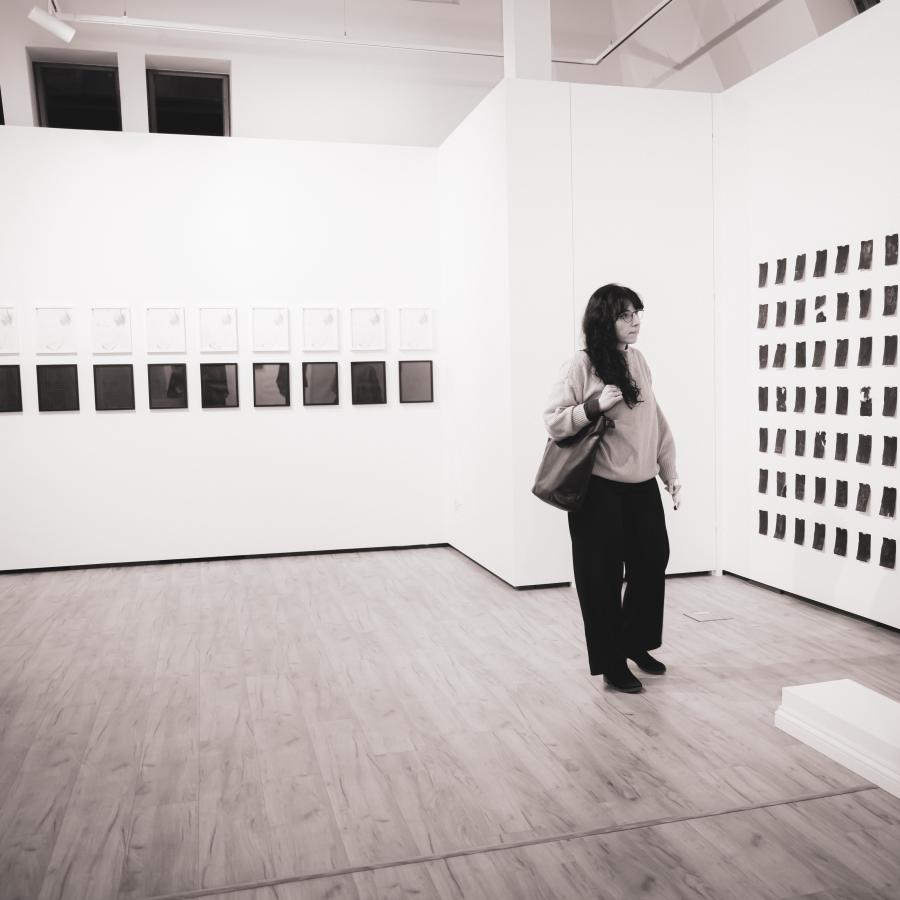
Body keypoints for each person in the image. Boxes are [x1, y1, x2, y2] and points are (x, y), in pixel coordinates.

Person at [543, 284, 681, 693]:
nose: (635, 321)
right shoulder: (581, 364)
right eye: (625, 315)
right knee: (600, 579)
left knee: (651, 563)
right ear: (605, 320)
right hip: (598, 491)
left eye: (637, 313)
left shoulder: (638, 360)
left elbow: (655, 420)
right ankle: (611, 663)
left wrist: (669, 471)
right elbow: (553, 420)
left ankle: (634, 643)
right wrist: (593, 407)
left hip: (641, 487)